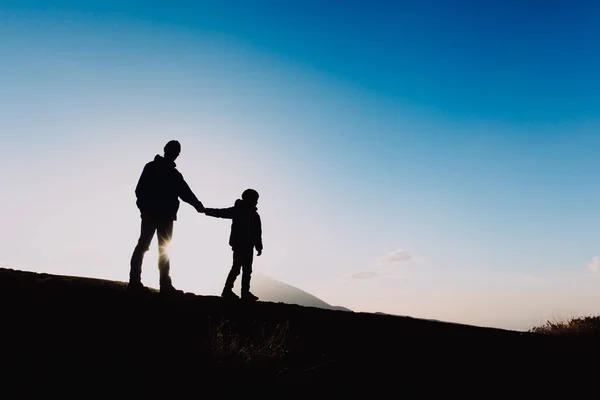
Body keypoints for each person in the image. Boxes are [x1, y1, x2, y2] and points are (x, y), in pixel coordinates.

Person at [128, 140, 205, 294]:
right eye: (173, 150)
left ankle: (165, 285)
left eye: (177, 151)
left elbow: (185, 192)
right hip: (151, 214)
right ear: (165, 149)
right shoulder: (151, 167)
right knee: (143, 246)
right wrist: (144, 209)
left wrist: (198, 205)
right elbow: (140, 190)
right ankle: (135, 282)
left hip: (167, 217)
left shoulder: (175, 174)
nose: (175, 154)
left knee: (164, 250)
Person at [203, 189, 263, 301]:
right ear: (249, 199)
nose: (256, 202)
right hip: (239, 245)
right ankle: (227, 291)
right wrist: (206, 211)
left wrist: (258, 246)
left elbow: (258, 232)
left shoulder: (255, 216)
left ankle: (244, 293)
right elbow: (222, 213)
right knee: (236, 268)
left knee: (247, 270)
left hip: (249, 246)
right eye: (255, 199)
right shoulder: (238, 211)